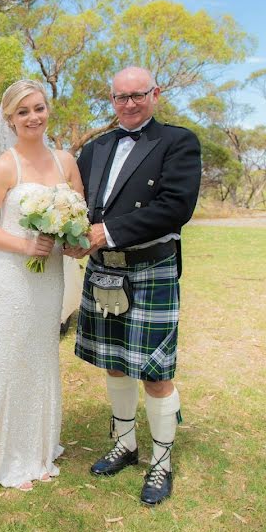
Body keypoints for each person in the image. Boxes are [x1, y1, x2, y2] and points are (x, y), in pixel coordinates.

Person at [67, 66, 201, 505]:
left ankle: (161, 464)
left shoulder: (178, 142)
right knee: (114, 363)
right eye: (120, 97)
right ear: (112, 100)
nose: (128, 104)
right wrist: (68, 232)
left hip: (150, 269)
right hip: (104, 269)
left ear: (155, 94)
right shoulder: (96, 147)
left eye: (137, 95)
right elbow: (78, 202)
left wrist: (106, 232)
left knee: (156, 373)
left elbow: (175, 207)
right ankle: (125, 445)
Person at [0, 79, 85, 496]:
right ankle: (4, 455)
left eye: (38, 108)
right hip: (10, 277)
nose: (33, 117)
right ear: (10, 119)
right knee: (8, 356)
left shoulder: (66, 161)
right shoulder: (6, 165)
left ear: (47, 109)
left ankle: (37, 447)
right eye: (23, 112)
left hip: (48, 277)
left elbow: (78, 220)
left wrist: (73, 243)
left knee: (39, 355)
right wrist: (25, 244)